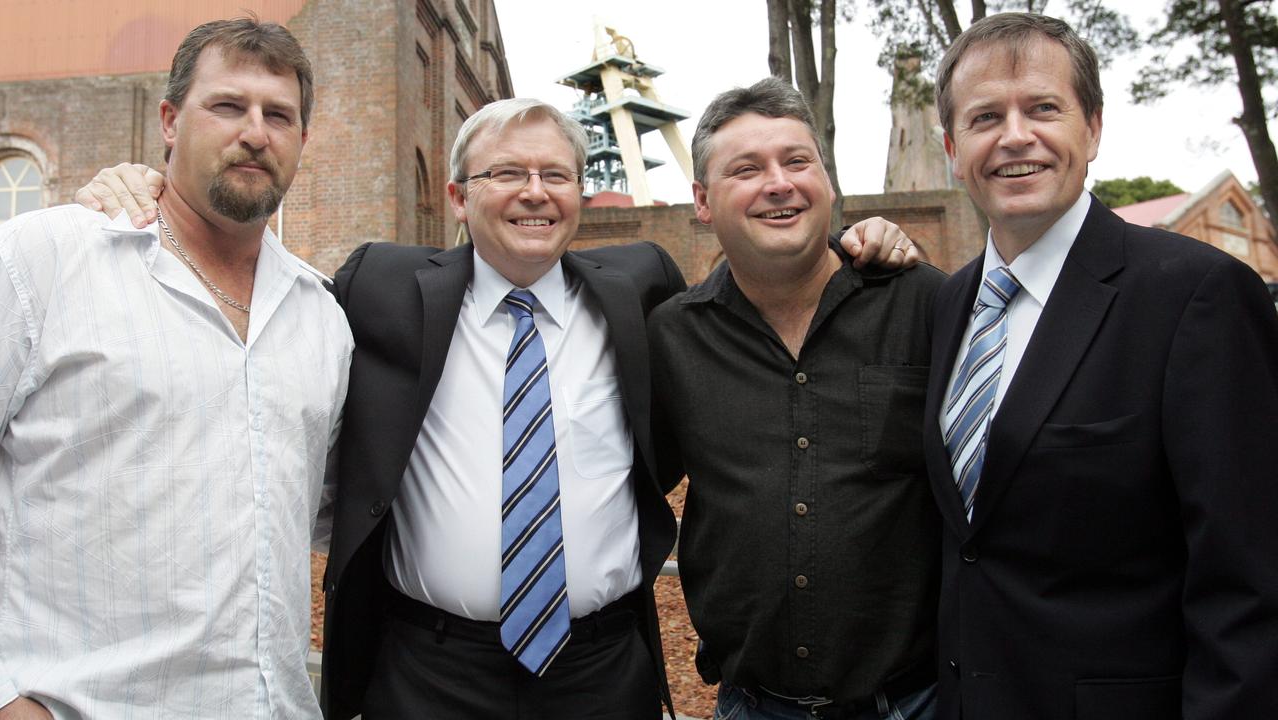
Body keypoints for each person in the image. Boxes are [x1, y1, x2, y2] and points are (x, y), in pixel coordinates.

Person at [77, 102, 919, 720]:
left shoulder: (639, 288)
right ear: (456, 194)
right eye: (507, 173)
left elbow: (761, 285)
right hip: (430, 673)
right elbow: (250, 280)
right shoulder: (378, 288)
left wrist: (864, 238)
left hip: (602, 672)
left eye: (556, 174)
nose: (534, 193)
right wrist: (157, 189)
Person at [923, 13, 1278, 719]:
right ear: (954, 150)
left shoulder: (1194, 296)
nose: (1015, 135)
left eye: (1043, 108)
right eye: (986, 116)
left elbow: (1248, 579)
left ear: (1093, 129)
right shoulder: (951, 301)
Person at [0, 18, 352, 720]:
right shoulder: (44, 259)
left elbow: (324, 514)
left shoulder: (322, 317)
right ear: (168, 120)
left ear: (303, 142)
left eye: (278, 115)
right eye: (227, 106)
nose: (255, 131)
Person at [649, 77, 943, 720]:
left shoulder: (925, 305)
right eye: (746, 169)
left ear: (827, 182)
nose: (778, 183)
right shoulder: (672, 336)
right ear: (702, 200)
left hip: (915, 701)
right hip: (756, 704)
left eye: (797, 161)